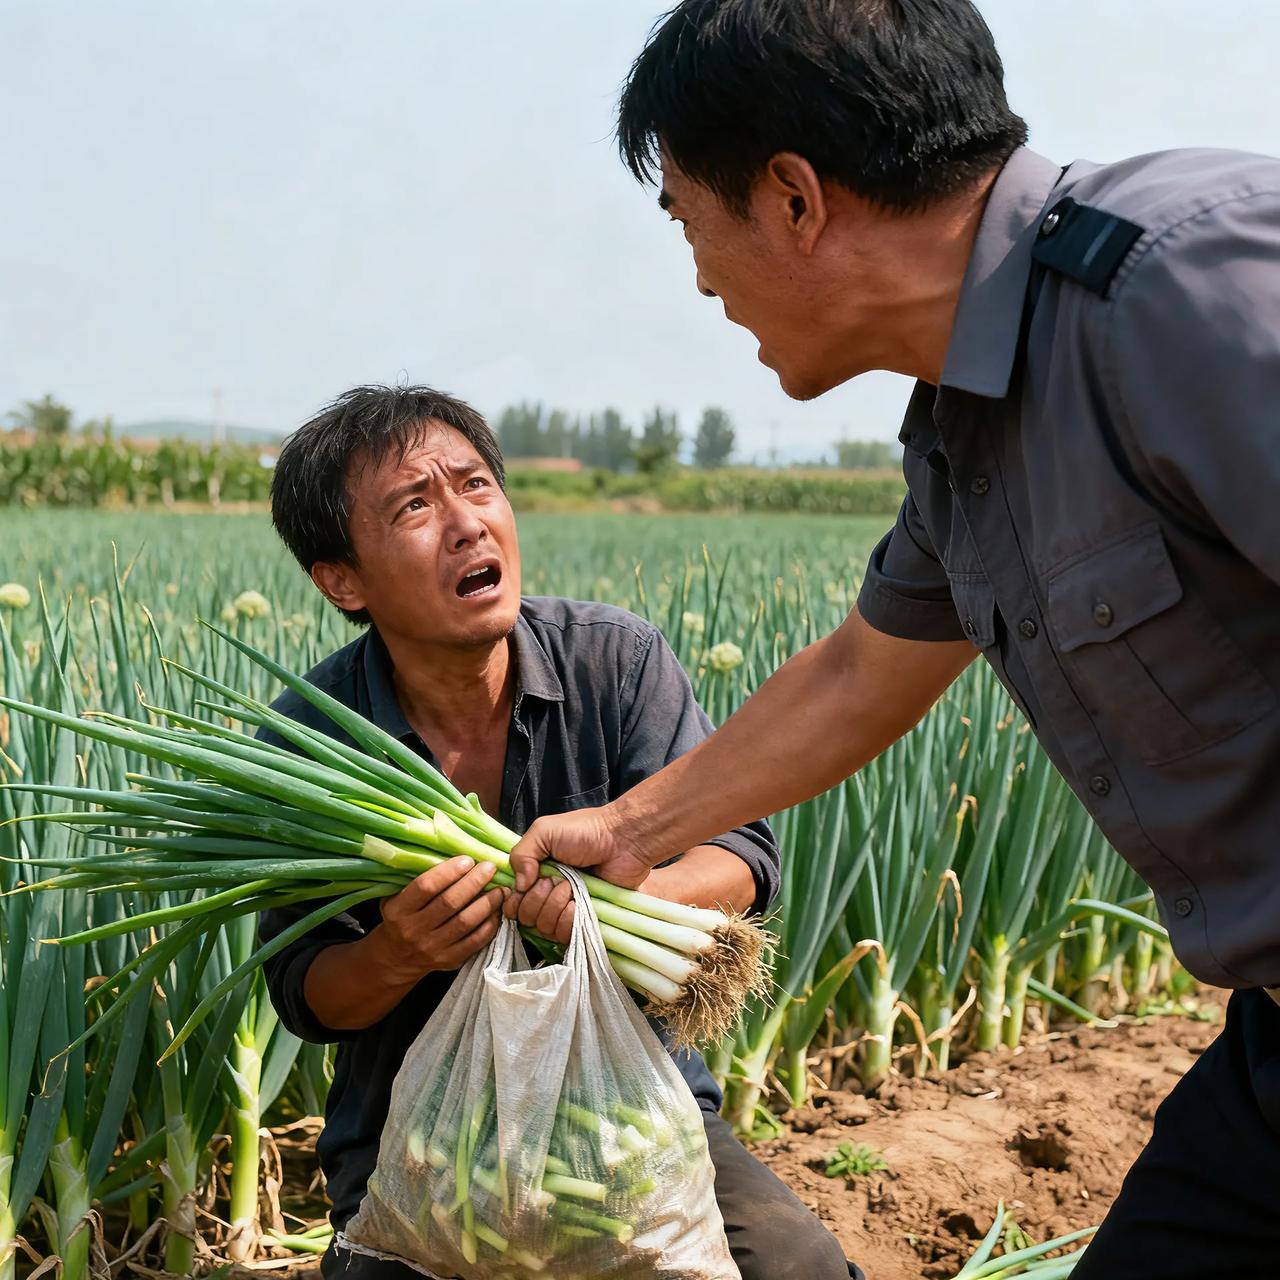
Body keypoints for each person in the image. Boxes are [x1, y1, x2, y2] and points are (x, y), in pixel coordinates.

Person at [507, 3, 1280, 1276]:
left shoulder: (1177, 287)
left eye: (689, 224)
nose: (698, 277)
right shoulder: (967, 430)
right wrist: (630, 833)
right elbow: (867, 669)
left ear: (794, 199)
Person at [256, 384, 860, 1280]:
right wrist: (397, 952)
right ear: (341, 579)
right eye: (415, 506)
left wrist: (624, 901)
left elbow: (741, 861)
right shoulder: (310, 743)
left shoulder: (616, 662)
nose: (467, 524)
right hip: (420, 1146)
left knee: (798, 1268)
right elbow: (306, 995)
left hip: (633, 1118)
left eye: (476, 486)